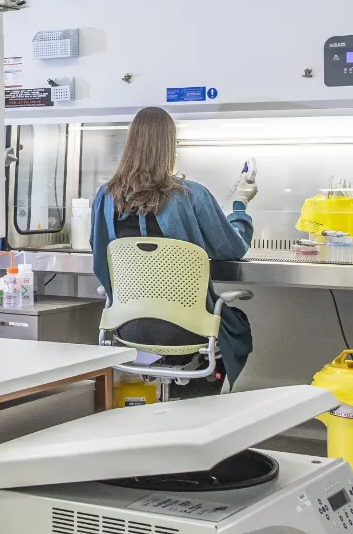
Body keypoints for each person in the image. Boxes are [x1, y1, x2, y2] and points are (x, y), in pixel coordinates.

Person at [91, 106, 258, 387]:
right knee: (235, 324)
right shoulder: (190, 194)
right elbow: (233, 248)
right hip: (188, 328)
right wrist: (241, 205)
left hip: (127, 325)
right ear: (171, 145)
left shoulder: (105, 196)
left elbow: (100, 255)